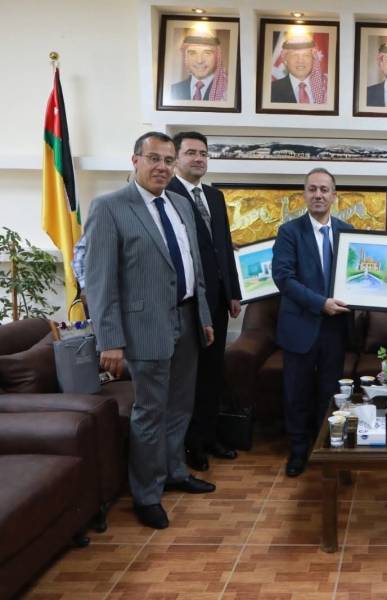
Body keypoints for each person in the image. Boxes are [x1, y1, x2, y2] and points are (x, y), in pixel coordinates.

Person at [83, 131, 216, 530]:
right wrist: (110, 340)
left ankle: (174, 471)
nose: (162, 167)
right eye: (154, 158)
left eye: (168, 160)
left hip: (188, 320)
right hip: (144, 327)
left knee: (180, 406)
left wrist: (204, 316)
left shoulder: (180, 204)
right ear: (135, 160)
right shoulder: (109, 207)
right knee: (150, 412)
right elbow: (100, 281)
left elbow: (193, 267)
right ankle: (146, 494)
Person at [167, 131, 242, 471]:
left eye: (203, 153)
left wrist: (233, 292)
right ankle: (191, 445)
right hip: (186, 302)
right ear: (177, 158)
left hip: (217, 300)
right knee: (189, 377)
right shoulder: (167, 194)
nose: (199, 158)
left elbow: (223, 246)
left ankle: (210, 437)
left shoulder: (214, 196)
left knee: (213, 373)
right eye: (191, 153)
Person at [272, 168, 353, 477]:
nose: (318, 195)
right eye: (312, 189)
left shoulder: (348, 231)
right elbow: (284, 278)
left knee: (330, 394)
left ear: (334, 195)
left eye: (324, 189)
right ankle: (298, 452)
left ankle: (328, 450)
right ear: (304, 194)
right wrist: (321, 304)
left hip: (335, 329)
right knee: (297, 394)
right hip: (300, 327)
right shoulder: (289, 232)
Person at [170, 29, 228, 101]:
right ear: (185, 57)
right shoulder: (173, 90)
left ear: (217, 56)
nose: (199, 61)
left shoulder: (226, 92)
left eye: (207, 53)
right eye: (192, 53)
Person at [271, 33, 327, 104]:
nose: (300, 61)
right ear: (285, 59)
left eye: (306, 55)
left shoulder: (326, 88)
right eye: (295, 55)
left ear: (313, 58)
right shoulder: (271, 90)